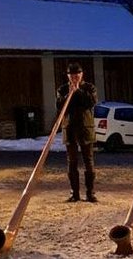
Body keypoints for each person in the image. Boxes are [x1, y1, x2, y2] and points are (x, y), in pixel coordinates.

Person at [56, 62, 98, 203]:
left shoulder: (89, 87)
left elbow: (90, 102)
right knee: (72, 162)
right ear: (68, 76)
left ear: (81, 75)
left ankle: (90, 193)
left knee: (89, 162)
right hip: (70, 129)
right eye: (72, 75)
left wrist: (78, 91)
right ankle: (75, 193)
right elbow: (60, 106)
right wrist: (70, 93)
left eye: (77, 75)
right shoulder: (62, 89)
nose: (74, 78)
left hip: (86, 129)